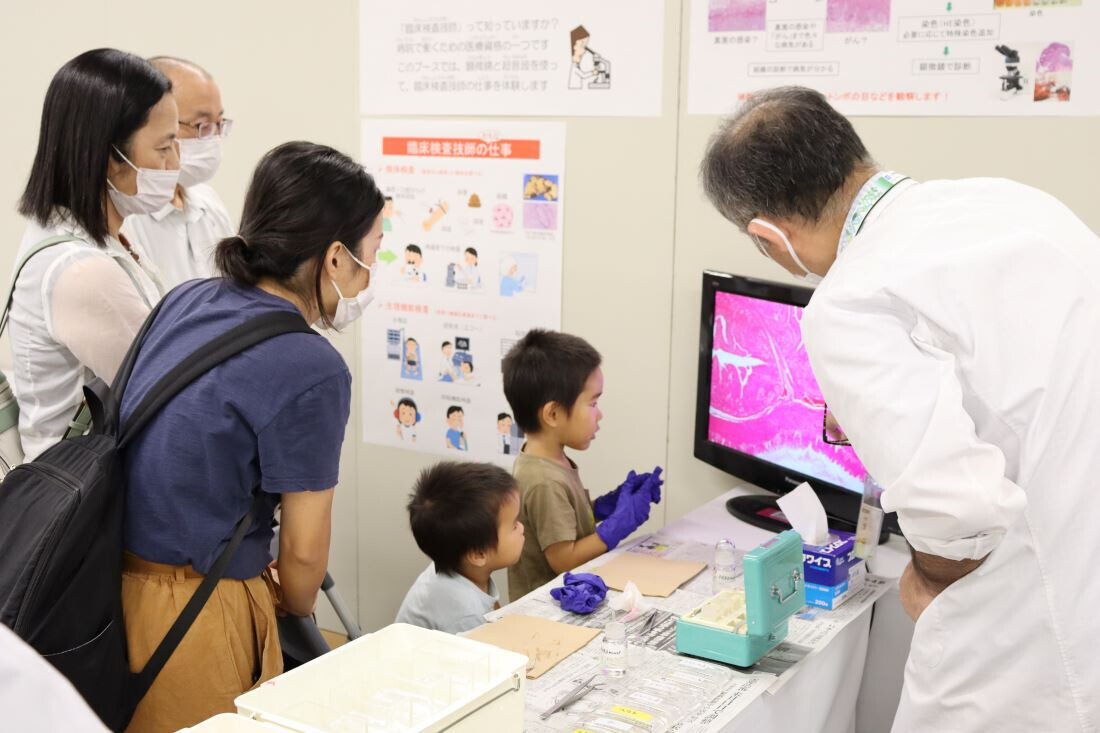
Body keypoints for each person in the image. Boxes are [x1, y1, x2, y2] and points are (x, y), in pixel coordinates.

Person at [699, 86, 1100, 731]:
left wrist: (926, 576)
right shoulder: (1011, 202)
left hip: (1027, 632)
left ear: (768, 236)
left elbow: (957, 512)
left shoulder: (850, 302)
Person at [119, 141, 383, 731]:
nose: (370, 276)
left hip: (111, 589)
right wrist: (294, 604)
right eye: (372, 254)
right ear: (335, 258)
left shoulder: (185, 300)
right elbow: (305, 553)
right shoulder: (310, 366)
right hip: (198, 610)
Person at [12, 48, 176, 462]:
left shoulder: (99, 236)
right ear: (110, 157)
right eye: (164, 148)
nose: (176, 163)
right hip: (82, 507)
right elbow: (172, 387)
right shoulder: (80, 271)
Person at [502, 329, 662, 600]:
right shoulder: (543, 479)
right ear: (553, 414)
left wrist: (605, 506)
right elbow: (564, 560)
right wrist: (618, 526)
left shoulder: (550, 460)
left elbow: (565, 521)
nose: (600, 414)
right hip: (546, 610)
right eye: (593, 403)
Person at [122, 56, 234, 288]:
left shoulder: (208, 202)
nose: (212, 138)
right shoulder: (127, 215)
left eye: (218, 124)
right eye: (201, 126)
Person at [396, 462, 524, 633]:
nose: (522, 527)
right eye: (514, 525)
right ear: (478, 554)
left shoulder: (456, 562)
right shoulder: (466, 616)